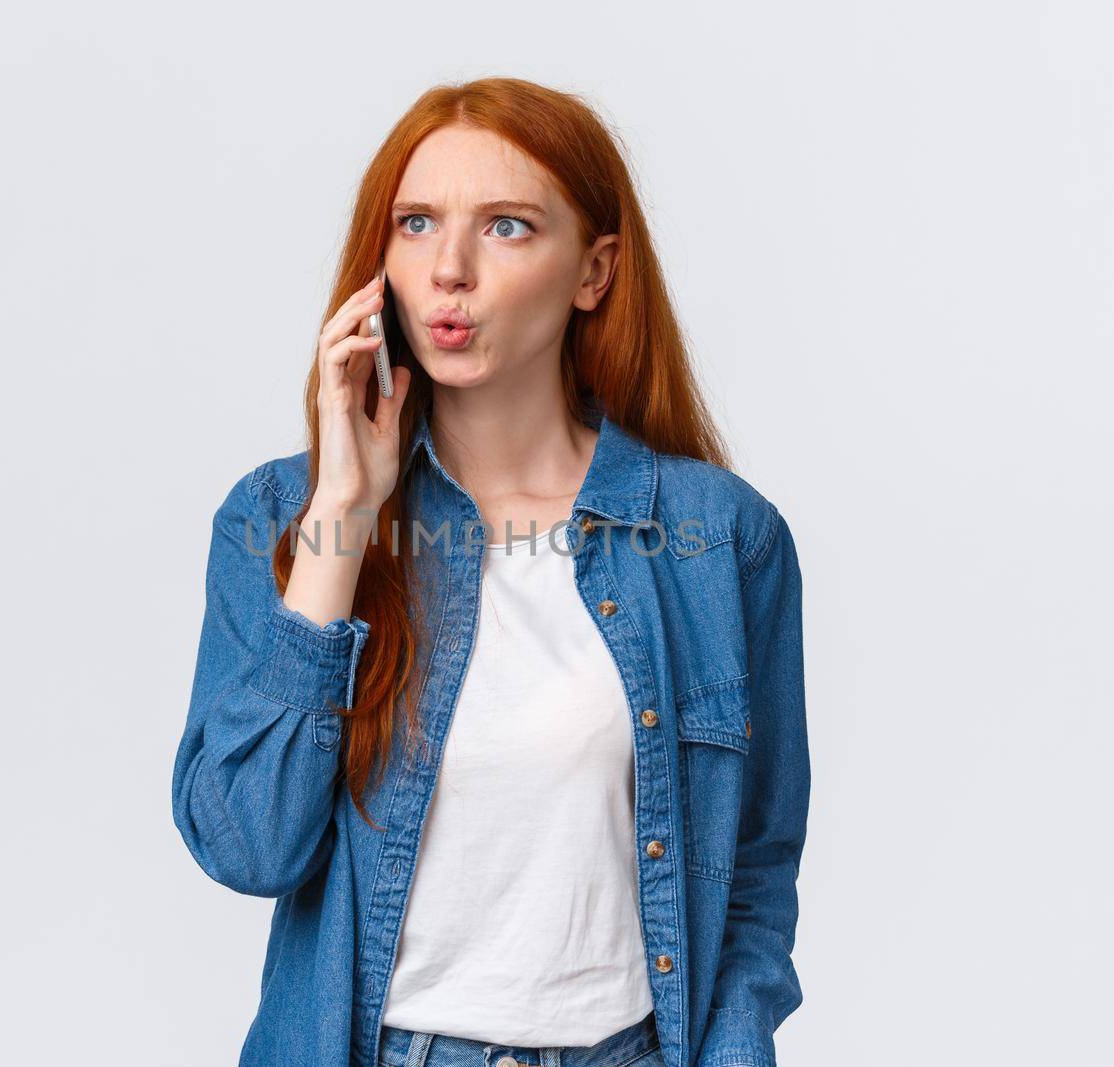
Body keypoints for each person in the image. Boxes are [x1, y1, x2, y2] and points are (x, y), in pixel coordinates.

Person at [170, 76, 810, 1067]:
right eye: (416, 223)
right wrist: (344, 511)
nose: (449, 270)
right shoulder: (282, 519)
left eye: (507, 226)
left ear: (593, 271)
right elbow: (248, 847)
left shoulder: (718, 540)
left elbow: (754, 875)